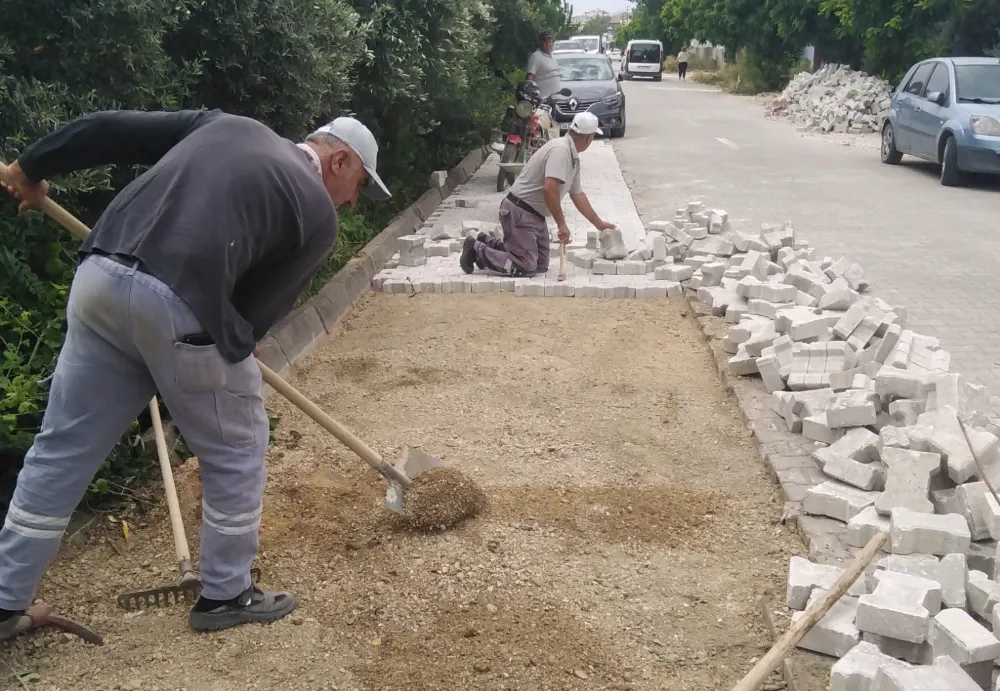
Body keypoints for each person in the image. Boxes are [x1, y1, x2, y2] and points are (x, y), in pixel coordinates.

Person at [0, 108, 390, 636]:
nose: (350, 201)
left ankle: (4, 598)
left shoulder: (225, 125)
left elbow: (108, 129)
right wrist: (233, 344)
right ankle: (226, 594)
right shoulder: (318, 212)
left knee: (61, 448)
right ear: (339, 160)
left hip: (101, 278)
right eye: (358, 187)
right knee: (237, 446)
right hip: (178, 302)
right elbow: (250, 322)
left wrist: (30, 167)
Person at [461, 112, 615, 277]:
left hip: (533, 215)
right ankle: (476, 250)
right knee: (526, 266)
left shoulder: (572, 157)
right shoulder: (560, 151)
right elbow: (549, 188)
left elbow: (578, 195)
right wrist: (561, 224)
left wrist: (598, 223)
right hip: (519, 211)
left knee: (540, 264)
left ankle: (484, 241)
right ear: (588, 138)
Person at [525, 30, 562, 100]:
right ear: (540, 43)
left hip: (557, 99)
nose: (547, 44)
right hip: (543, 100)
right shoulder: (536, 56)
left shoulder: (552, 57)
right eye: (545, 42)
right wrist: (530, 96)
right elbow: (529, 78)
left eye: (549, 42)